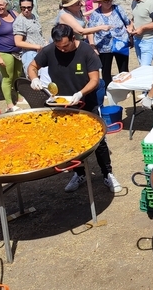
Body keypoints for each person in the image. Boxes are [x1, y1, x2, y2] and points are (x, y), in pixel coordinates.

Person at [29, 24, 122, 193]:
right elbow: (32, 66)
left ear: (73, 38)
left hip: (86, 101)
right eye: (59, 47)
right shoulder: (50, 50)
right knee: (70, 141)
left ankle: (107, 174)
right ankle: (79, 173)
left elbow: (95, 80)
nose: (62, 50)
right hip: (62, 104)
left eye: (65, 46)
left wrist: (80, 94)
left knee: (98, 140)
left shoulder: (86, 52)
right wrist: (34, 78)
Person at [89, 0, 133, 86]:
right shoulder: (95, 14)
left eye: (110, 0)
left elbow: (128, 22)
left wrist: (130, 34)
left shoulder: (118, 9)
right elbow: (90, 31)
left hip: (121, 44)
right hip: (104, 47)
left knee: (124, 68)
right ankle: (107, 89)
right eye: (105, 1)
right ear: (100, 2)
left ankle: (126, 88)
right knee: (105, 70)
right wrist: (93, 46)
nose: (108, 2)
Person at [13, 0, 47, 79]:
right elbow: (18, 42)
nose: (26, 10)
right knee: (35, 79)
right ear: (20, 7)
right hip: (30, 54)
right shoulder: (20, 21)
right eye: (23, 8)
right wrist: (37, 46)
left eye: (29, 7)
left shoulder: (33, 17)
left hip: (40, 52)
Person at [126, 0, 153, 67]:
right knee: (141, 66)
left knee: (145, 67)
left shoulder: (151, 4)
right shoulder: (134, 2)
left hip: (148, 40)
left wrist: (143, 28)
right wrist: (131, 26)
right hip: (137, 40)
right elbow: (134, 17)